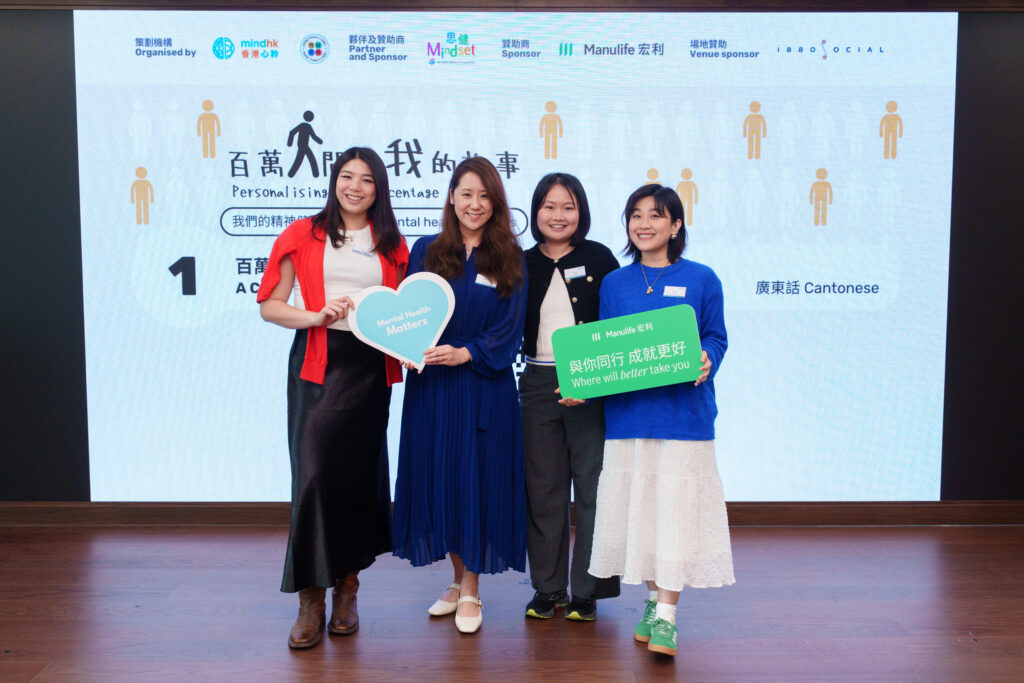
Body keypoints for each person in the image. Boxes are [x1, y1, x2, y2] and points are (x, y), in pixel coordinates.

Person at [256, 147, 409, 649]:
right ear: (334, 181)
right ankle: (310, 599)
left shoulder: (393, 244)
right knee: (313, 480)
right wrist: (314, 316)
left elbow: (403, 314)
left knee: (357, 482)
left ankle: (347, 589)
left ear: (378, 188)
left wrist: (413, 347)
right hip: (318, 366)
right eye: (347, 176)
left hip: (369, 371)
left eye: (366, 179)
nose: (355, 187)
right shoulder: (302, 233)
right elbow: (270, 306)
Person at [588, 184, 733, 657]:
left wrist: (708, 358)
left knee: (675, 515)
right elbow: (605, 348)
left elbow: (716, 337)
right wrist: (582, 382)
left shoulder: (702, 278)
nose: (644, 223)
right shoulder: (615, 283)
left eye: (656, 215)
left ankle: (667, 615)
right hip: (629, 418)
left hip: (683, 417)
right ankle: (653, 600)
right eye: (636, 215)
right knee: (644, 515)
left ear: (675, 225)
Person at [392, 156, 528, 635]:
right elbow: (408, 314)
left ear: (496, 203)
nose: (475, 204)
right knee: (443, 481)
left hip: (484, 386)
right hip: (433, 388)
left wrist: (466, 352)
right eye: (467, 194)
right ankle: (455, 578)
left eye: (485, 196)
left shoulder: (510, 257)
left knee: (479, 482)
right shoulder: (427, 250)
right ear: (451, 197)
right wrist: (406, 347)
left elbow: (510, 331)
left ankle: (472, 586)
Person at [520, 173, 620, 622]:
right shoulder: (520, 262)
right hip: (537, 382)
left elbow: (618, 322)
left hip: (591, 381)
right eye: (549, 206)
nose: (558, 216)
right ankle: (548, 589)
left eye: (568, 206)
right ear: (536, 211)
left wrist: (594, 376)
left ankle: (588, 591)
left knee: (594, 488)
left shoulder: (599, 257)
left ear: (582, 212)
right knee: (543, 489)